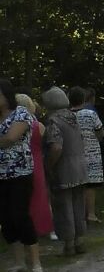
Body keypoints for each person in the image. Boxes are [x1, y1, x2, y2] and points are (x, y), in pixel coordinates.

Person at [0, 78, 44, 272]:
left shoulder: (21, 113)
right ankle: (18, 263)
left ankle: (35, 263)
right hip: (1, 175)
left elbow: (11, 138)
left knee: (20, 215)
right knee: (6, 219)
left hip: (20, 173)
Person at [42, 86, 89, 256]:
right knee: (78, 205)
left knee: (63, 208)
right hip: (80, 168)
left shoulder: (53, 121)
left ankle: (68, 245)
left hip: (63, 170)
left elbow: (56, 147)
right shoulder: (73, 117)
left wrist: (48, 165)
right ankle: (80, 242)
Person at [15, 94, 55, 240]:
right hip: (37, 161)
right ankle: (46, 227)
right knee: (42, 194)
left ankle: (29, 228)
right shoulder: (38, 125)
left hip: (22, 161)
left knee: (26, 197)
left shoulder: (14, 125)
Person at [69, 87, 104, 223]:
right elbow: (100, 131)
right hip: (91, 153)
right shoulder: (90, 114)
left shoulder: (66, 115)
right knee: (91, 185)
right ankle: (90, 214)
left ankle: (77, 215)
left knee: (77, 185)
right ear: (83, 99)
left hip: (73, 153)